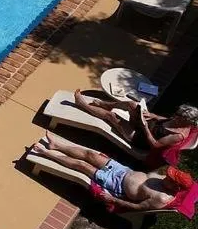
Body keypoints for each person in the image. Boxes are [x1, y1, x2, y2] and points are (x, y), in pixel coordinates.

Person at [31, 131, 192, 212]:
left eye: (170, 178)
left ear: (175, 186)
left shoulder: (161, 198)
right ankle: (56, 146)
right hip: (123, 170)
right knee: (90, 154)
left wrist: (113, 200)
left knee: (82, 165)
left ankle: (45, 153)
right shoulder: (164, 179)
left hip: (116, 184)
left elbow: (136, 207)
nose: (167, 176)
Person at [73, 89, 198, 167]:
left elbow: (155, 145)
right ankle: (104, 104)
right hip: (146, 125)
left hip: (140, 138)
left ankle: (82, 104)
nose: (174, 116)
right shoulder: (178, 121)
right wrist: (153, 115)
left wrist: (145, 128)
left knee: (111, 116)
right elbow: (165, 119)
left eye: (178, 117)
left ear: (185, 121)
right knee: (131, 104)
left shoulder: (177, 136)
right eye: (176, 114)